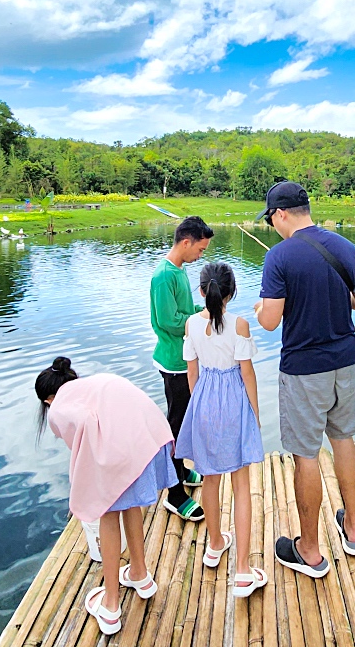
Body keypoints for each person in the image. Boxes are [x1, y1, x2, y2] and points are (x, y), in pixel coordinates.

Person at [252, 181, 355, 578]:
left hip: (304, 371)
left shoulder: (279, 257)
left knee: (306, 455)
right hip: (346, 364)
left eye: (271, 220)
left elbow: (270, 322)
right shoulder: (344, 246)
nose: (272, 227)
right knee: (344, 441)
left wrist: (260, 308)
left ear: (281, 214)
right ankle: (352, 530)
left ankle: (309, 551)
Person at [35, 357, 175, 635]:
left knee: (108, 515)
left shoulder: (59, 408)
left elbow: (84, 438)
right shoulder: (90, 385)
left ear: (48, 399)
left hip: (123, 448)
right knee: (130, 504)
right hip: (151, 437)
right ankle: (140, 575)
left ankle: (111, 606)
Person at [174, 262, 268, 598]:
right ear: (232, 292)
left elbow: (191, 373)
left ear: (201, 291)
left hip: (204, 402)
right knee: (241, 485)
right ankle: (242, 570)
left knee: (210, 479)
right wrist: (254, 416)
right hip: (233, 403)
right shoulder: (240, 324)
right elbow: (247, 374)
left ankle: (214, 544)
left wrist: (197, 409)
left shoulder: (190, 324)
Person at [149, 215, 215, 521]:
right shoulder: (163, 276)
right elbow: (168, 321)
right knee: (176, 423)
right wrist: (198, 321)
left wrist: (204, 313)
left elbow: (184, 312)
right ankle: (174, 494)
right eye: (200, 250)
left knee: (185, 418)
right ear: (186, 242)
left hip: (185, 357)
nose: (201, 255)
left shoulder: (180, 270)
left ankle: (182, 469)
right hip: (174, 362)